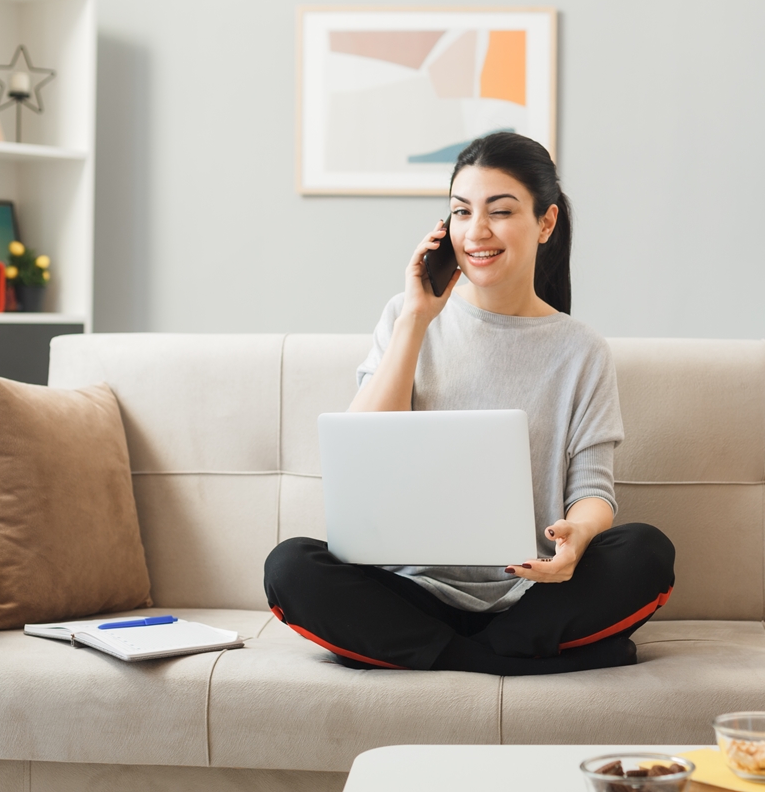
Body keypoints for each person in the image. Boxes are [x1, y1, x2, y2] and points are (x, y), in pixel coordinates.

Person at [263, 132, 675, 676]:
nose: (476, 231)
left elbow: (593, 491)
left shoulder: (581, 350)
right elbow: (362, 450)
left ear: (545, 223)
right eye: (461, 212)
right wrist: (415, 319)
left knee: (646, 553)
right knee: (291, 567)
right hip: (410, 590)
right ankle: (510, 659)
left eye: (499, 211)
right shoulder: (404, 318)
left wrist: (578, 536)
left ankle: (433, 654)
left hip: (531, 592)